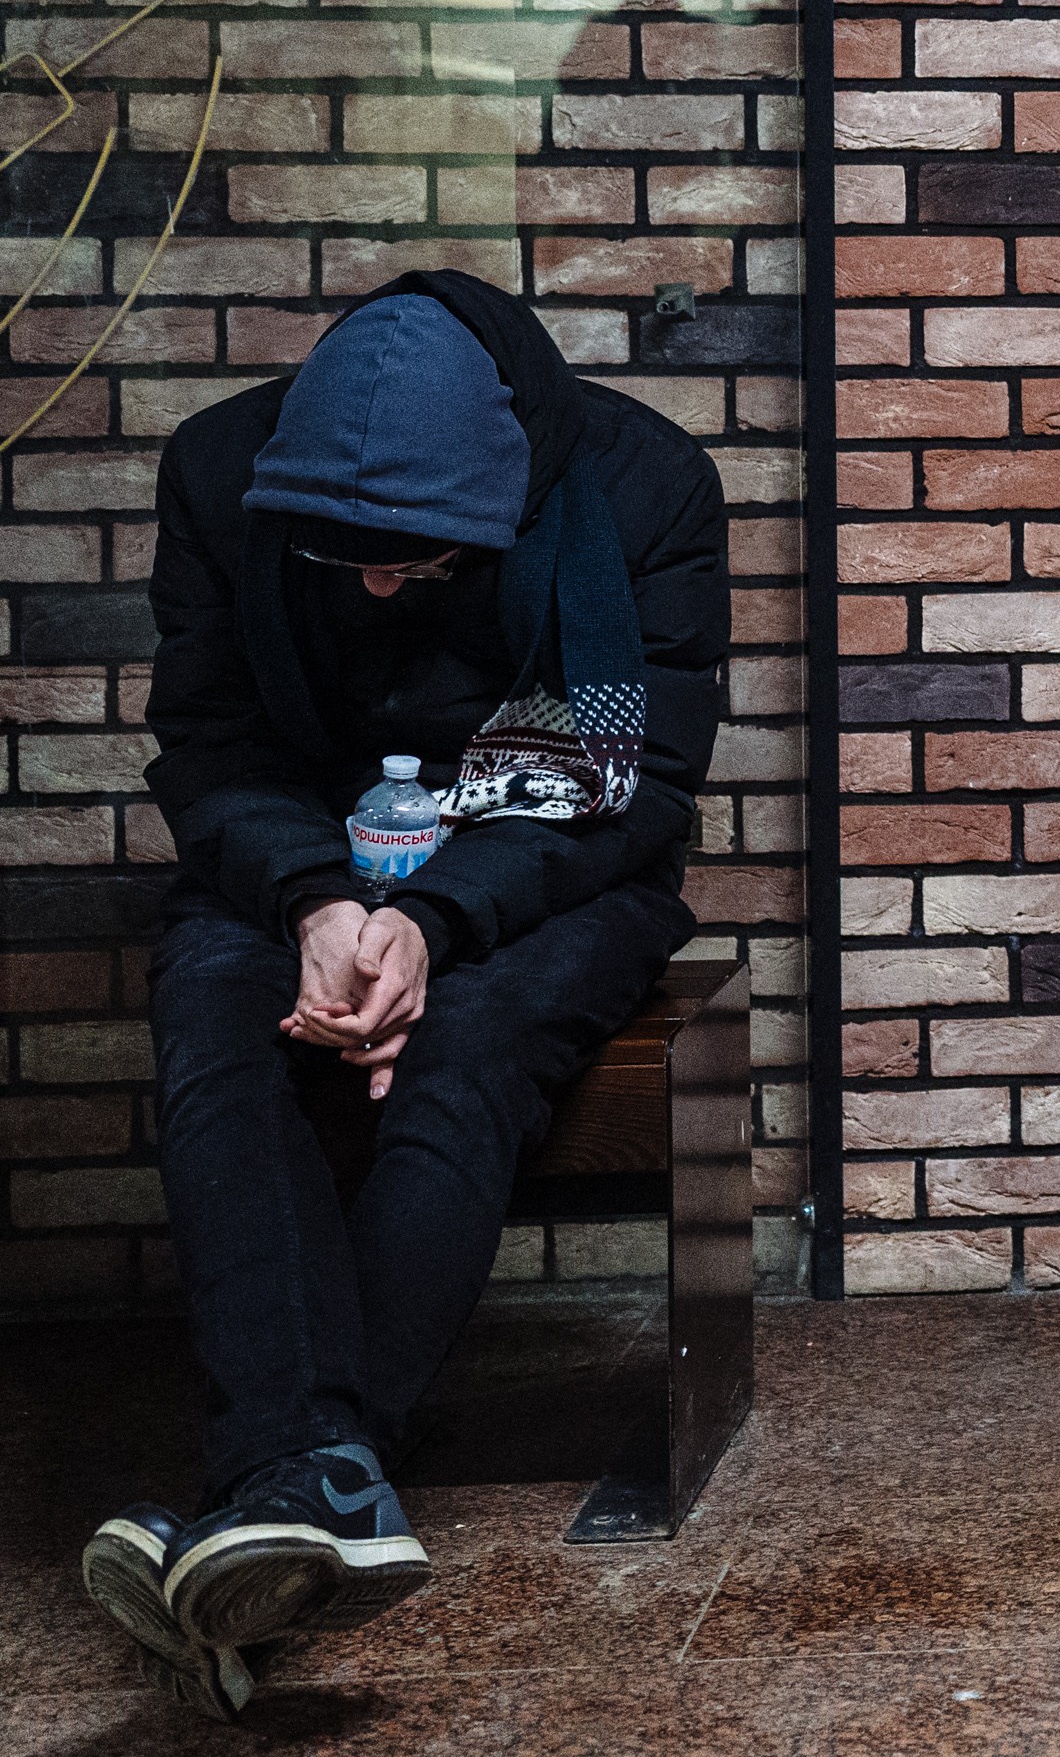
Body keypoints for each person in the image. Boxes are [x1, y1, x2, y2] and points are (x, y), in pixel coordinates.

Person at [80, 272, 724, 1716]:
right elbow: (214, 743)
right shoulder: (222, 471)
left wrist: (430, 922)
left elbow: (633, 784)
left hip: (557, 852)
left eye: (417, 563)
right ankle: (327, 1489)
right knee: (213, 1012)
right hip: (305, 853)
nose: (377, 588)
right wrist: (320, 902)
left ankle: (281, 1474)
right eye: (344, 559)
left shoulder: (641, 484)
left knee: (474, 1037)